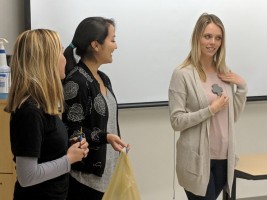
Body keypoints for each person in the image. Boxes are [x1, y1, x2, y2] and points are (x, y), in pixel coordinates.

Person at [168, 13, 247, 200]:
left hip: (224, 158)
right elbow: (176, 121)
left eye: (218, 38)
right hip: (196, 160)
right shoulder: (182, 74)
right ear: (197, 38)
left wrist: (242, 88)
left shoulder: (224, 73)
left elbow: (231, 117)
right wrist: (210, 110)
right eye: (207, 36)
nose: (213, 42)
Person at [5, 29, 89, 200]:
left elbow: (45, 152)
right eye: (60, 51)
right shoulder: (30, 112)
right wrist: (69, 158)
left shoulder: (43, 107)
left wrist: (68, 146)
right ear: (46, 59)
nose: (65, 57)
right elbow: (27, 176)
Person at [62, 17, 130, 200]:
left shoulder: (103, 78)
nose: (116, 46)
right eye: (113, 40)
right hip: (85, 181)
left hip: (107, 176)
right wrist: (105, 137)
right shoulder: (76, 81)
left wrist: (114, 142)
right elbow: (73, 130)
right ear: (95, 45)